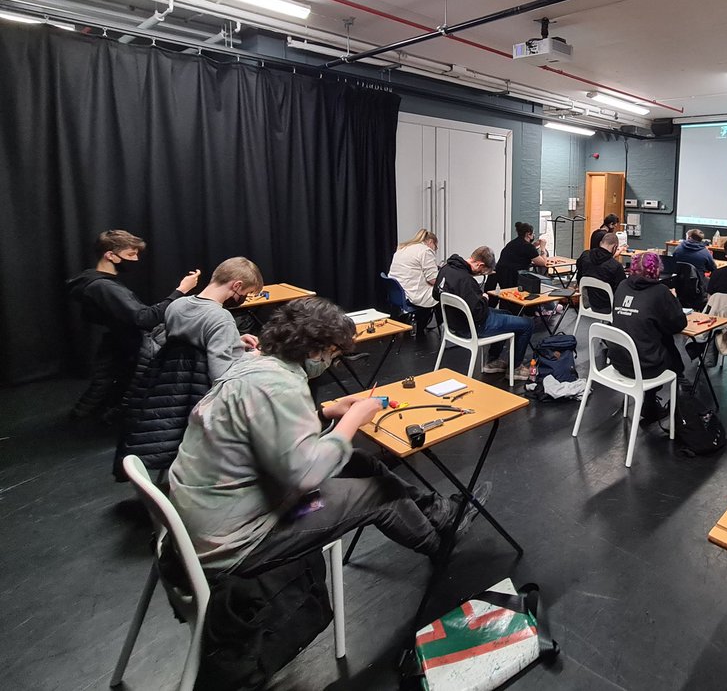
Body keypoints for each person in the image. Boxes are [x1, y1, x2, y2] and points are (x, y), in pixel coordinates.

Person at [169, 297, 476, 575]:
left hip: (210, 515)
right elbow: (306, 475)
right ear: (315, 349)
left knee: (357, 462)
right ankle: (441, 547)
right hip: (238, 538)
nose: (332, 363)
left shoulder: (256, 365)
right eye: (334, 355)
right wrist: (354, 419)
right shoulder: (280, 385)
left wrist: (325, 414)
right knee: (381, 494)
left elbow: (266, 436)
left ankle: (438, 512)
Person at [67, 229, 201, 420]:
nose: (136, 259)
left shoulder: (97, 282)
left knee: (108, 384)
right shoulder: (103, 287)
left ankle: (87, 420)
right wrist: (181, 290)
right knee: (104, 387)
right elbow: (144, 318)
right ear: (110, 255)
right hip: (123, 344)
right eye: (130, 254)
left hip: (119, 343)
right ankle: (83, 425)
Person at [609, 252, 687, 423]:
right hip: (644, 367)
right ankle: (680, 410)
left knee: (648, 340)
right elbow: (679, 324)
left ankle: (650, 405)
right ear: (657, 270)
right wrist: (673, 300)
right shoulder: (661, 292)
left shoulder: (622, 285)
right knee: (670, 352)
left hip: (619, 360)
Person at [436, 246, 534, 380]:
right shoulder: (466, 280)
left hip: (454, 323)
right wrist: (483, 298)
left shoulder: (446, 269)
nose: (481, 275)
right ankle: (516, 368)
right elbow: (479, 313)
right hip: (471, 327)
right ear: (480, 264)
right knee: (527, 324)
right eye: (483, 272)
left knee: (506, 312)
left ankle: (493, 361)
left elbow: (436, 295)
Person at [164, 256, 263, 381]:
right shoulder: (221, 318)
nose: (245, 298)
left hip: (173, 384)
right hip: (203, 391)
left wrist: (234, 341)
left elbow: (195, 345)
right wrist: (254, 355)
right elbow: (222, 374)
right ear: (237, 286)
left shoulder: (176, 305)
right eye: (247, 293)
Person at [388, 229, 441, 332]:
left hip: (400, 293)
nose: (435, 249)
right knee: (445, 293)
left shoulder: (402, 248)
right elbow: (433, 280)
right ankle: (450, 330)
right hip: (414, 294)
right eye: (435, 246)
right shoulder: (425, 251)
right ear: (430, 242)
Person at [575, 231, 626, 313]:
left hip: (588, 301)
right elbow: (621, 290)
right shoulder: (615, 266)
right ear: (615, 247)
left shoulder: (585, 255)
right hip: (608, 306)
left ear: (600, 243)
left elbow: (579, 276)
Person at [493, 221, 549, 290]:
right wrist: (542, 247)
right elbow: (543, 263)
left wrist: (534, 246)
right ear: (528, 234)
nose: (534, 235)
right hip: (515, 275)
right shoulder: (527, 246)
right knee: (546, 282)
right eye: (533, 233)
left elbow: (522, 252)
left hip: (501, 274)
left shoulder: (512, 243)